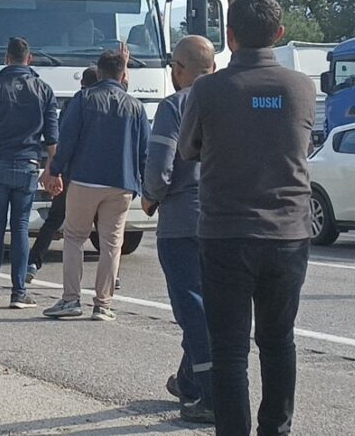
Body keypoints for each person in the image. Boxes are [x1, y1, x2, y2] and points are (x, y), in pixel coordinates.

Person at [178, 0, 314, 435]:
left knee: (230, 351)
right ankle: (276, 429)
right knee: (279, 341)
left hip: (226, 232)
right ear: (279, 34)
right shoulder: (301, 88)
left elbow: (188, 149)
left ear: (229, 37)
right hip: (288, 232)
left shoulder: (208, 89)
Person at [142, 36, 218, 424]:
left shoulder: (174, 106)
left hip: (182, 221)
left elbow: (159, 168)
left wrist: (150, 197)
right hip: (223, 220)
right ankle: (189, 382)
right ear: (215, 68)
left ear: (177, 69)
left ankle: (208, 395)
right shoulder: (228, 103)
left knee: (191, 308)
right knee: (212, 305)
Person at [43, 47, 149, 322]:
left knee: (75, 237)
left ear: (99, 72)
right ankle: (103, 304)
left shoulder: (85, 99)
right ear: (122, 75)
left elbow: (68, 139)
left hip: (85, 180)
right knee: (112, 243)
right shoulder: (136, 107)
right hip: (121, 182)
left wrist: (55, 171)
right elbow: (144, 151)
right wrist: (144, 185)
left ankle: (70, 299)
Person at [0, 37, 59, 309]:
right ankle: (19, 292)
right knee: (20, 227)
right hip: (28, 164)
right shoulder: (44, 89)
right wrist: (54, 169)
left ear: (6, 59)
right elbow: (52, 136)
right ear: (29, 60)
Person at [26, 66, 98, 281]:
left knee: (56, 218)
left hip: (71, 172)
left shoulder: (74, 104)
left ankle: (33, 262)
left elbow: (62, 138)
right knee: (104, 225)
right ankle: (113, 275)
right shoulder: (105, 102)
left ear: (81, 83)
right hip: (97, 173)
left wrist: (54, 168)